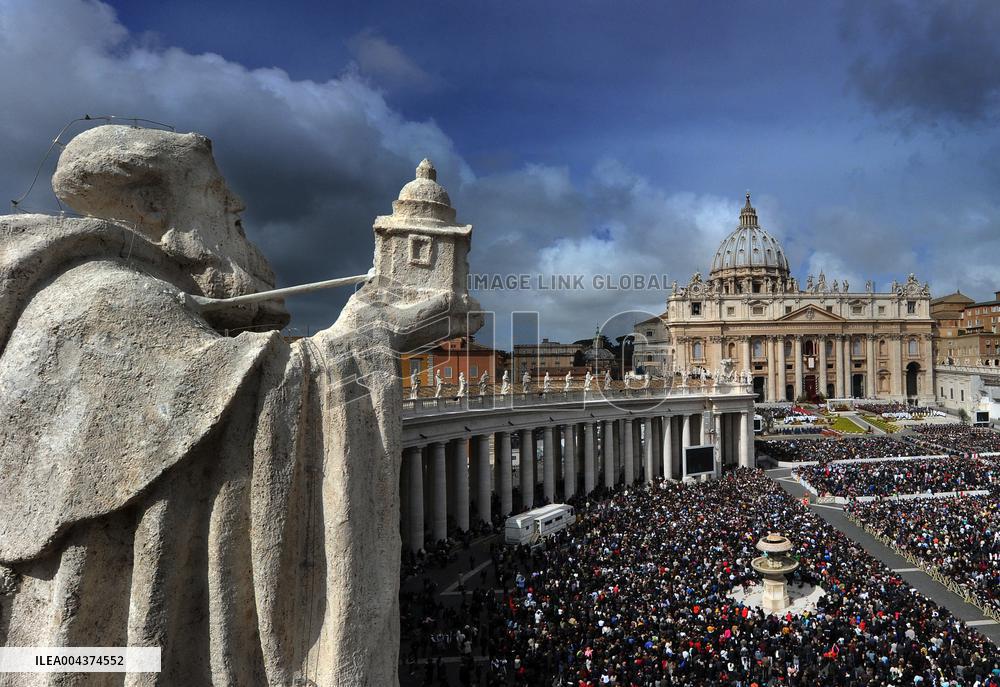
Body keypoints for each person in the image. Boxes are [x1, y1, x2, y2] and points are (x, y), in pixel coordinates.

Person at [0, 125, 477, 685]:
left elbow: (209, 383)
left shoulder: (143, 290)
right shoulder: (106, 298)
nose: (237, 203)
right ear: (153, 204)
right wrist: (371, 331)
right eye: (215, 188)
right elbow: (223, 396)